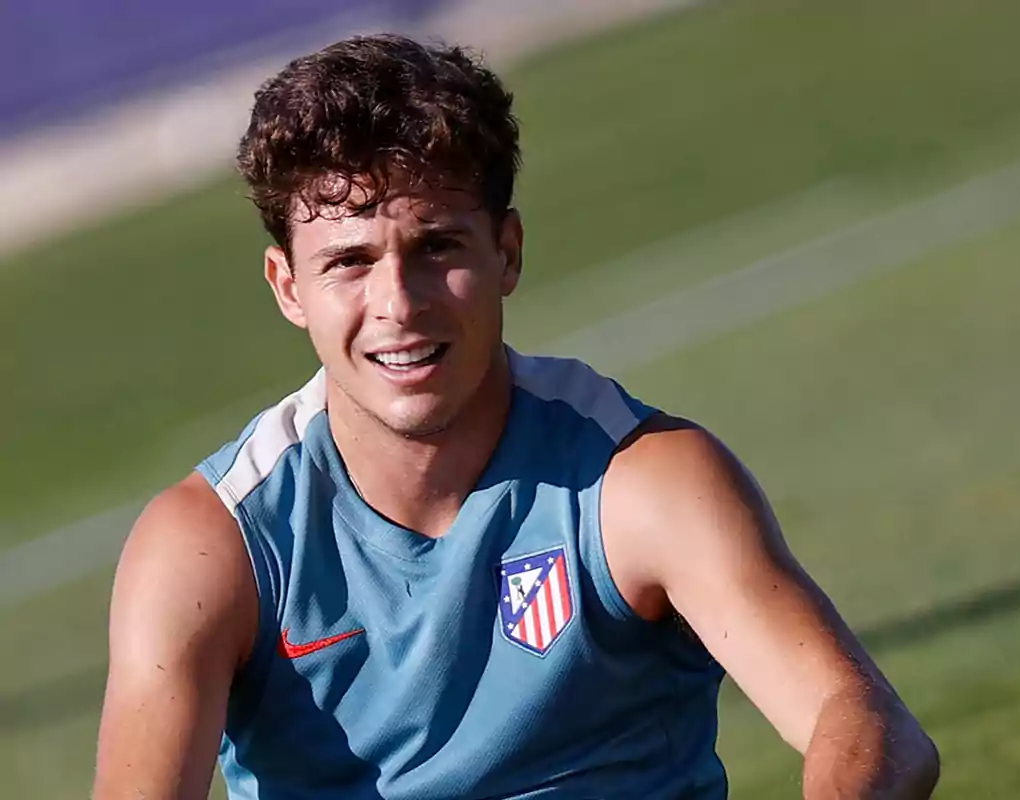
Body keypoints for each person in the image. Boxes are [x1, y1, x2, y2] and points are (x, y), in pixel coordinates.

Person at [92, 33, 939, 800]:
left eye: (437, 248)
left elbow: (867, 724)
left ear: (508, 252)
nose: (398, 305)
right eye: (348, 263)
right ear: (288, 288)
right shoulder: (210, 548)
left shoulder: (640, 483)